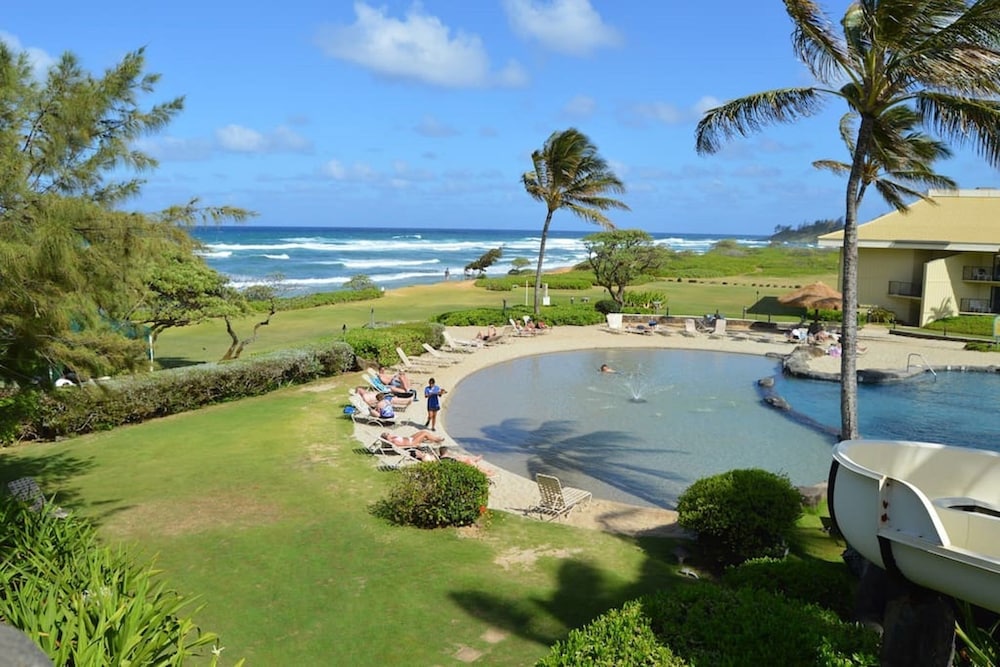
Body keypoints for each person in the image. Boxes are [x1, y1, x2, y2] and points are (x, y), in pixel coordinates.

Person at [380, 430, 444, 447]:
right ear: (386, 438)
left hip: (410, 438)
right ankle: (437, 440)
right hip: (412, 443)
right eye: (387, 434)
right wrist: (414, 445)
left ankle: (434, 439)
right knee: (425, 433)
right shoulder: (393, 441)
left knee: (422, 431)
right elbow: (402, 445)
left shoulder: (393, 438)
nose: (389, 434)